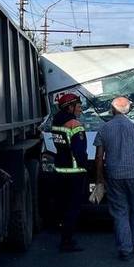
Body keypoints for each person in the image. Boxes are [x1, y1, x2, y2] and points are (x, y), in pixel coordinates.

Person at [94, 96, 134, 260]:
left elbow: (99, 157)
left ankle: (125, 248)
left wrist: (99, 178)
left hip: (115, 175)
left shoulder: (104, 128)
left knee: (120, 212)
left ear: (112, 109)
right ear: (128, 109)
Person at [51, 92, 89, 252]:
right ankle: (67, 241)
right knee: (73, 206)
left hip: (61, 169)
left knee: (63, 204)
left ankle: (63, 234)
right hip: (75, 171)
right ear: (70, 107)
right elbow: (79, 151)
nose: (80, 109)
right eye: (78, 106)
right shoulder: (75, 124)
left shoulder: (56, 122)